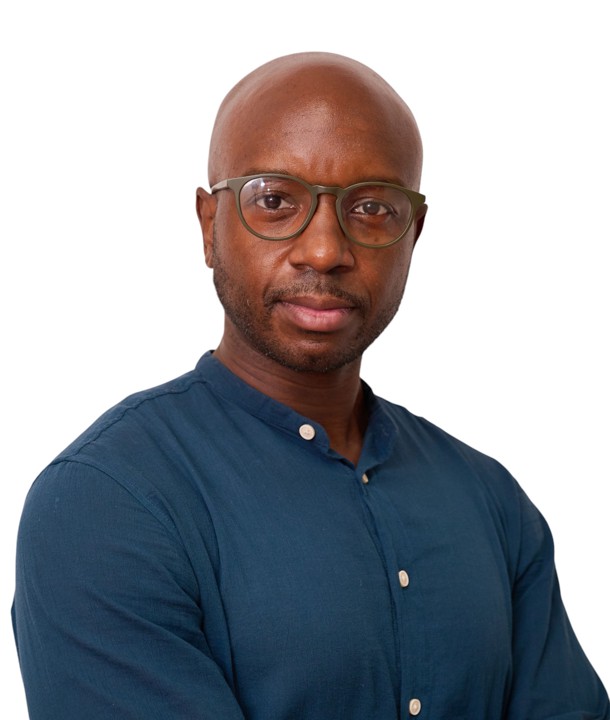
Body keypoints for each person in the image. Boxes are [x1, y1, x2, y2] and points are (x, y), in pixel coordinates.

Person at [12, 52, 608, 720]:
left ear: (412, 235)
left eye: (372, 207)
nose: (324, 250)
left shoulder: (492, 501)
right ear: (209, 227)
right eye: (274, 201)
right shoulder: (107, 501)